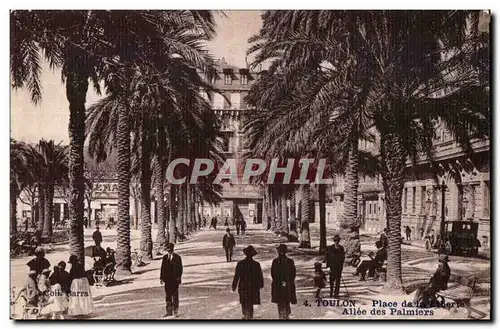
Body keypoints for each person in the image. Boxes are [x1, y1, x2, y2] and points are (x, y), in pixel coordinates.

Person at [232, 245, 264, 320]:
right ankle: (249, 316)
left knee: (244, 301)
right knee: (250, 302)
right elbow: (260, 276)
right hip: (253, 287)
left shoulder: (240, 263)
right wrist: (260, 284)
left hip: (243, 286)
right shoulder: (256, 264)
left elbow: (237, 276)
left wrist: (234, 285)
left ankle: (245, 315)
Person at [271, 244, 297, 319]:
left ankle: (285, 313)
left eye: (282, 251)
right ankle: (283, 314)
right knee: (283, 300)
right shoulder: (276, 261)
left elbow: (293, 273)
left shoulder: (289, 261)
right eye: (280, 251)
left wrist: (287, 281)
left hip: (285, 284)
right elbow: (273, 273)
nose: (281, 253)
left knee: (285, 300)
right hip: (281, 284)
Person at [160, 243, 183, 318]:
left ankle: (175, 311)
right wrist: (161, 278)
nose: (169, 250)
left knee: (175, 296)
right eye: (168, 249)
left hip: (175, 280)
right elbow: (162, 268)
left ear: (173, 249)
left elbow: (180, 269)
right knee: (168, 296)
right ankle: (169, 312)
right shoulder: (164, 257)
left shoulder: (177, 257)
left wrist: (179, 278)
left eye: (170, 249)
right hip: (167, 280)